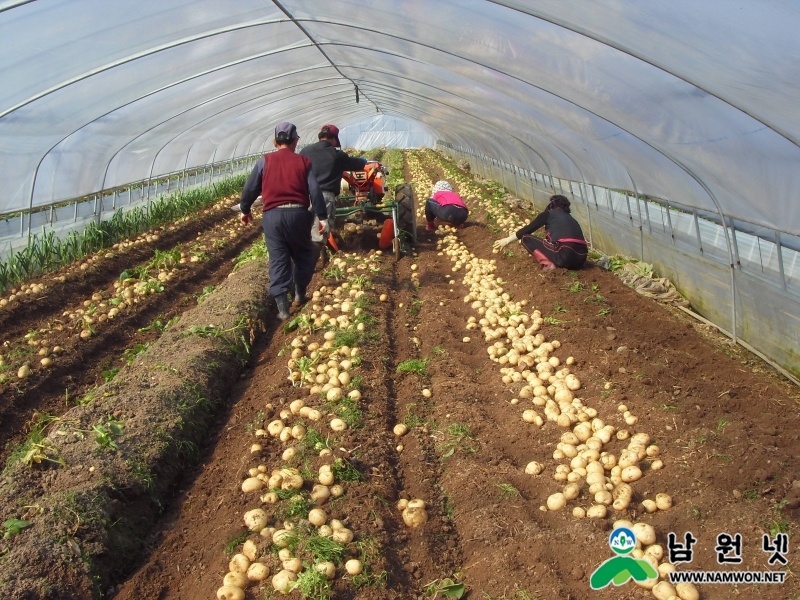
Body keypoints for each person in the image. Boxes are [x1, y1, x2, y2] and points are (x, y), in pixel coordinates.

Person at [239, 122, 329, 320]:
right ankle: (299, 294)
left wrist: (245, 209)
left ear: (274, 141)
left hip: (273, 217)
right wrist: (322, 217)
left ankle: (283, 310)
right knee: (303, 254)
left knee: (278, 259)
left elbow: (250, 189)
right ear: (296, 141)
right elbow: (315, 190)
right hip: (299, 214)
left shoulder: (264, 161)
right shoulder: (303, 162)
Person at [299, 124, 367, 267]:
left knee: (303, 233)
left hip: (304, 196)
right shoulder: (336, 155)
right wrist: (363, 161)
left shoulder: (305, 151)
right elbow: (355, 164)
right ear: (334, 139)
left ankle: (296, 266)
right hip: (324, 198)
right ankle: (304, 272)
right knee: (318, 236)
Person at [493, 195, 587, 271]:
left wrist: (506, 240)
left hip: (564, 254)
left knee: (526, 238)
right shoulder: (572, 219)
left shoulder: (549, 214)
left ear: (552, 205)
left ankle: (549, 265)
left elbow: (527, 230)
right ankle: (557, 262)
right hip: (581, 259)